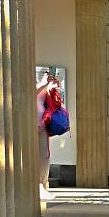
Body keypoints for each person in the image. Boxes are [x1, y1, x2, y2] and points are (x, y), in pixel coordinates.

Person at [36, 72, 59, 200]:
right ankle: (37, 187)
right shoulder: (30, 85)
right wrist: (42, 84)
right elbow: (27, 95)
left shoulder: (39, 86)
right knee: (35, 158)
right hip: (28, 127)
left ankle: (42, 186)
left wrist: (52, 86)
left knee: (44, 157)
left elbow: (48, 101)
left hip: (42, 126)